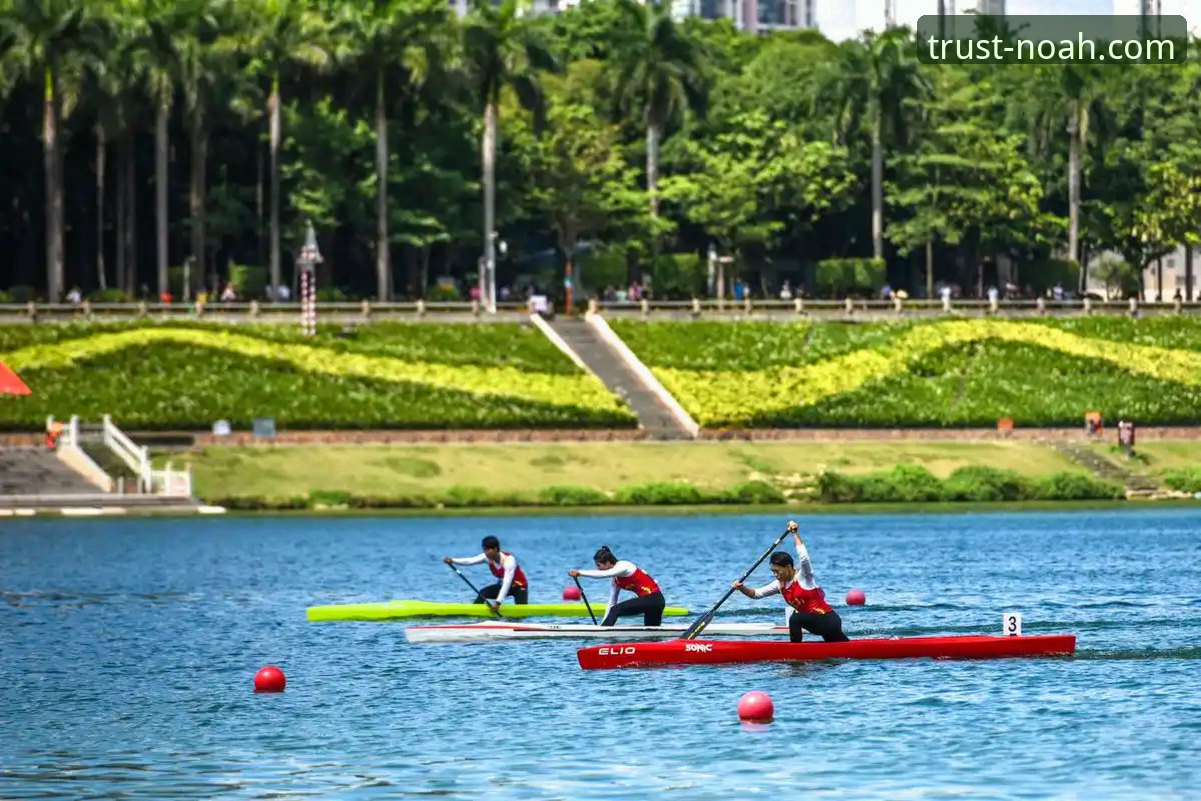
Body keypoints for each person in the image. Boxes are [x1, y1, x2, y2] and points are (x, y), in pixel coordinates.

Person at [733, 521, 849, 643]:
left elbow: (804, 558)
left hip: (828, 620)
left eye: (777, 571)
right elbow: (756, 594)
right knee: (841, 650)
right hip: (815, 624)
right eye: (773, 571)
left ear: (788, 567)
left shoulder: (804, 576)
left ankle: (795, 651)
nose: (775, 575)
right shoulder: (779, 585)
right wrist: (742, 588)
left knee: (795, 618)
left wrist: (795, 533)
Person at [569, 545, 665, 627]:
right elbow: (612, 602)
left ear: (607, 563)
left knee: (616, 609)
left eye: (599, 565)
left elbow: (603, 575)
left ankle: (606, 637)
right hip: (650, 602)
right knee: (651, 633)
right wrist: (603, 625)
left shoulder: (624, 566)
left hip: (654, 599)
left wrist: (580, 573)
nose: (597, 568)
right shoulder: (615, 579)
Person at [443, 535, 528, 609]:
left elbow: (507, 583)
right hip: (506, 586)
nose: (486, 553)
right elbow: (470, 561)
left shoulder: (509, 561)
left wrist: (498, 602)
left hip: (519, 587)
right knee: (483, 593)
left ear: (496, 549)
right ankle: (474, 611)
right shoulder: (487, 557)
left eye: (488, 550)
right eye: (484, 550)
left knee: (521, 616)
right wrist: (452, 560)